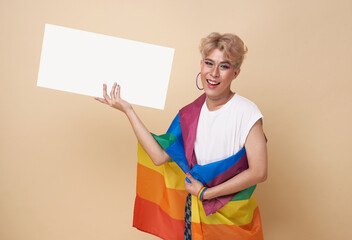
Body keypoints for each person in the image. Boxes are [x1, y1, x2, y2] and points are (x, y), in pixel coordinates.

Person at [95, 32, 268, 240]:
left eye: (224, 66)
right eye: (209, 63)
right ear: (201, 65)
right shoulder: (189, 114)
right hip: (196, 215)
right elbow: (159, 157)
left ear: (236, 73)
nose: (213, 73)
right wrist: (129, 111)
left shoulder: (247, 112)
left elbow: (259, 172)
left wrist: (206, 194)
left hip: (233, 219)